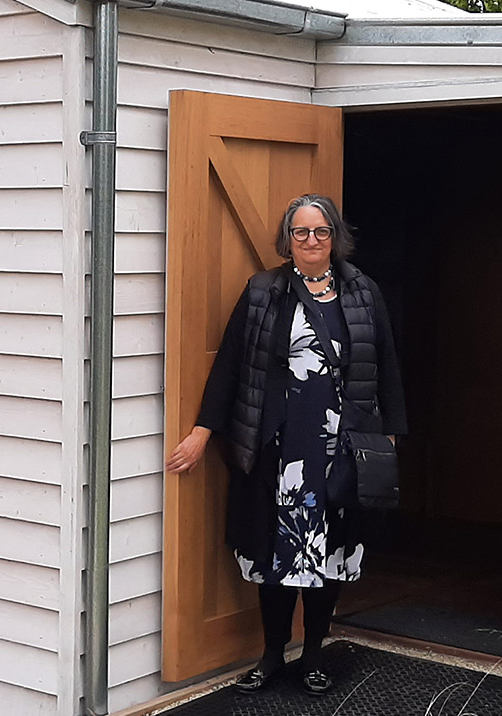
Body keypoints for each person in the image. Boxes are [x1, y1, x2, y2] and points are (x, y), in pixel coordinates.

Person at [164, 193, 407, 695]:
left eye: (321, 232)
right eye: (301, 233)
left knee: (328, 556)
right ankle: (272, 655)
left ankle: (314, 655)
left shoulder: (362, 292)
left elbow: (386, 365)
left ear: (335, 237)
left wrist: (388, 438)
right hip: (277, 446)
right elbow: (231, 365)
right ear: (287, 240)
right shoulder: (263, 292)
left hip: (339, 448)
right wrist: (202, 431)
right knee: (276, 555)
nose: (312, 241)